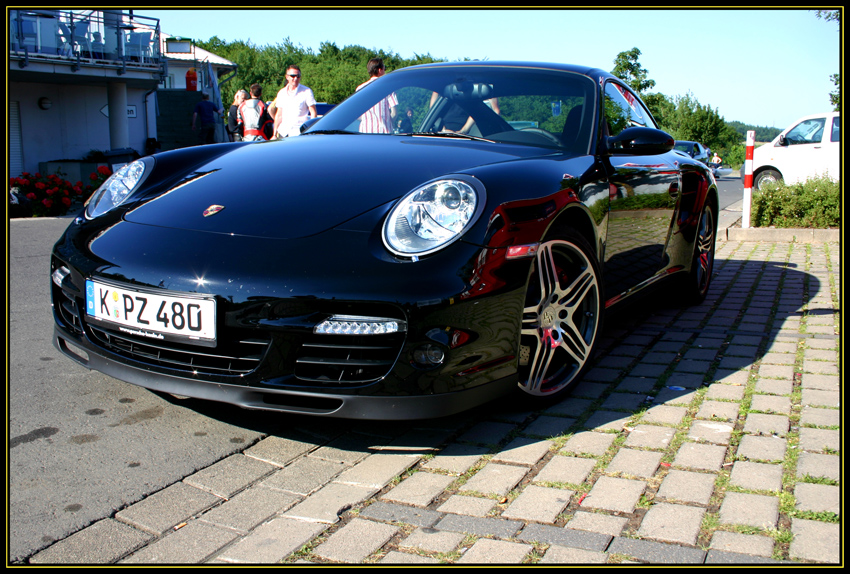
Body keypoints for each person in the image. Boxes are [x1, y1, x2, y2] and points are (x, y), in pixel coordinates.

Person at [268, 65, 317, 138]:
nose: (296, 78)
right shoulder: (282, 93)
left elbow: (313, 112)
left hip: (299, 133)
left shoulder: (307, 91)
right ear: (287, 77)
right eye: (293, 76)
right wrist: (274, 134)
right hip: (283, 133)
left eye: (298, 76)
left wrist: (311, 131)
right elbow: (279, 115)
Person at [356, 58, 398, 133]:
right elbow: (394, 113)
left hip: (364, 133)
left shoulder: (360, 89)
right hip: (383, 133)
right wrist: (387, 121)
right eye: (384, 69)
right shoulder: (389, 87)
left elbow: (356, 114)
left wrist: (367, 119)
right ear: (380, 70)